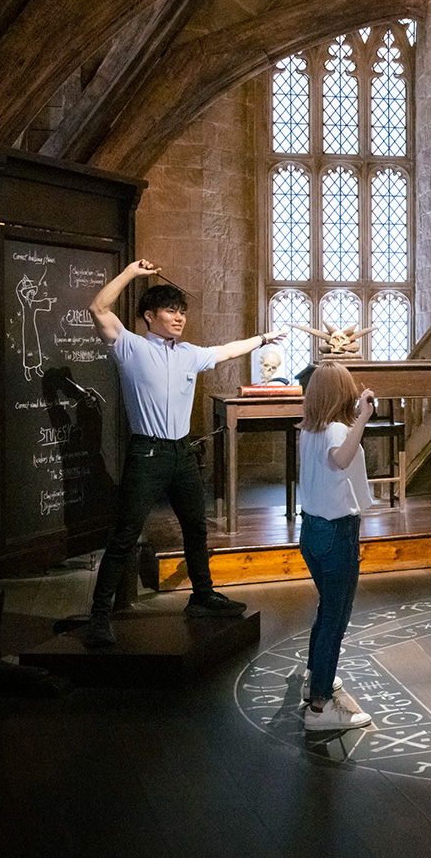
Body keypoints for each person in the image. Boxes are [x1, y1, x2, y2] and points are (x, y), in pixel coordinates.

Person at [82, 259, 286, 647]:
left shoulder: (189, 353)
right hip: (147, 454)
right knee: (125, 535)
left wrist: (262, 339)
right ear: (149, 316)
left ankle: (202, 597)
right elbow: (98, 309)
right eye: (170, 311)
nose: (179, 318)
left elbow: (226, 351)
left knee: (196, 528)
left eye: (181, 312)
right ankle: (99, 615)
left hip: (181, 454)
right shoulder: (131, 347)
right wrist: (130, 273)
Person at [296, 362, 377, 731]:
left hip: (311, 533)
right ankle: (320, 707)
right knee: (335, 619)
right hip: (335, 534)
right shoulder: (336, 429)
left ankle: (314, 680)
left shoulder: (309, 430)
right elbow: (341, 459)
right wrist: (363, 417)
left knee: (326, 610)